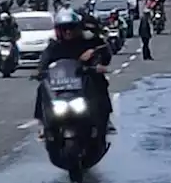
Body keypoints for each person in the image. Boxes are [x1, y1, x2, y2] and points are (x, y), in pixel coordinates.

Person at [35, 8, 114, 137]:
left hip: (84, 80)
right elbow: (45, 60)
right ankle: (42, 122)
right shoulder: (55, 46)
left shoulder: (89, 42)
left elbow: (105, 52)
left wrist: (96, 59)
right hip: (62, 84)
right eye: (64, 29)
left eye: (71, 28)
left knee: (100, 83)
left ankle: (106, 119)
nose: (68, 32)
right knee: (42, 88)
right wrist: (40, 71)